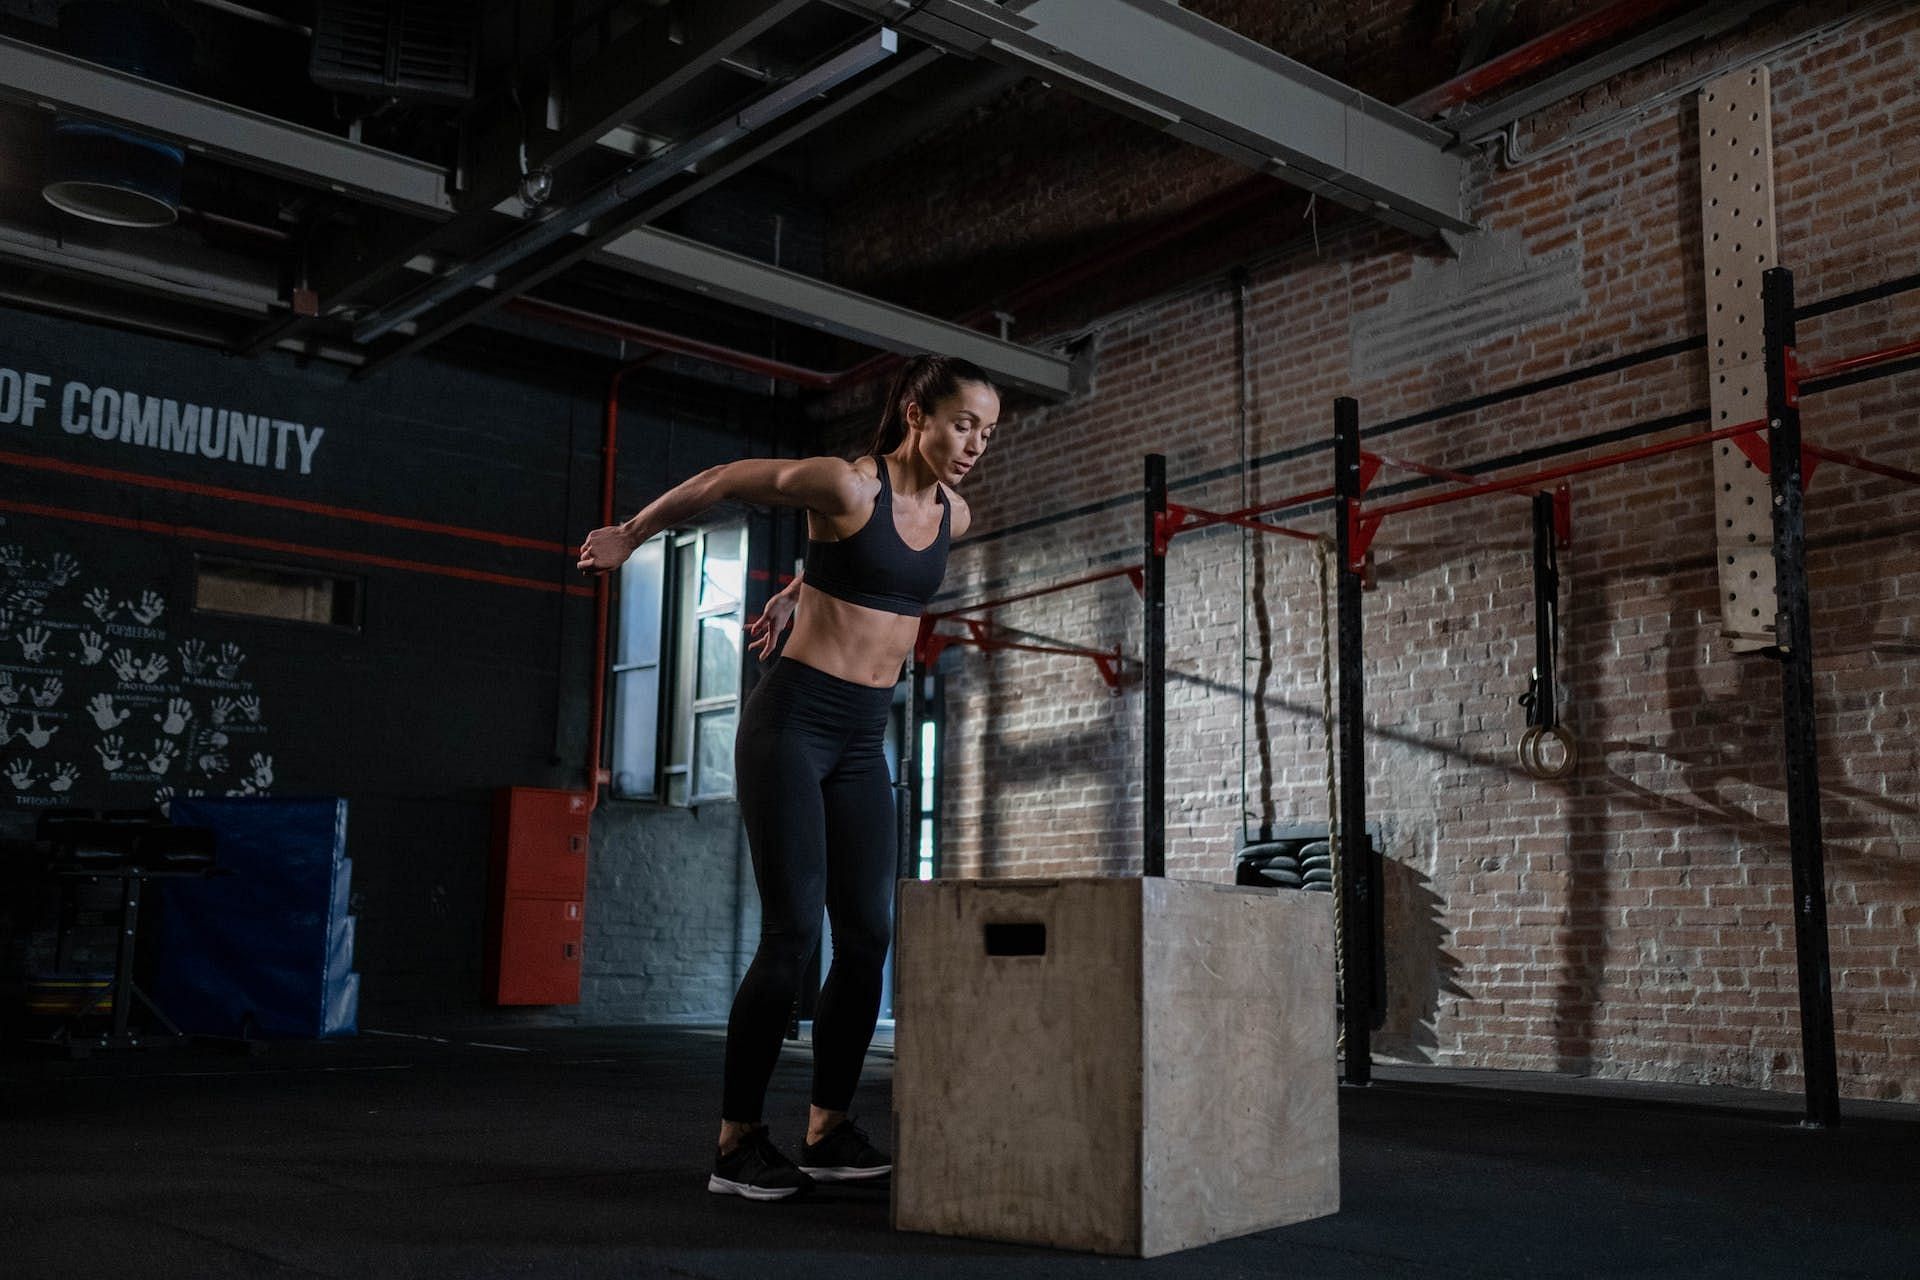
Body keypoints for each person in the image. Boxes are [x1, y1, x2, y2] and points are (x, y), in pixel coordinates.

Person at [577, 354, 999, 1200]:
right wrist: (633, 533)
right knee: (792, 935)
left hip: (861, 740)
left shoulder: (953, 516)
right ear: (917, 411)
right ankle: (736, 1145)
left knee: (870, 934)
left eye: (988, 432)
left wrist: (802, 588)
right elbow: (727, 477)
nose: (975, 444)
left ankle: (829, 1127)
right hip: (794, 727)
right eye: (963, 424)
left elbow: (864, 578)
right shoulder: (846, 485)